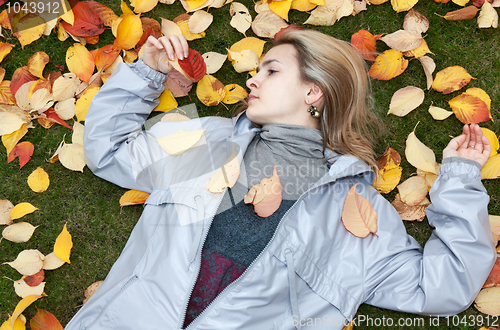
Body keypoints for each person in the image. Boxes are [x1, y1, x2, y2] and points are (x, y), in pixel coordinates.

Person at [66, 28, 495, 330]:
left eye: (271, 71)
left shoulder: (358, 215)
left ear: (314, 92)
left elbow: (442, 286)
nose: (252, 78)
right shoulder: (207, 140)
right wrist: (146, 72)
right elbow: (109, 151)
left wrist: (458, 180)